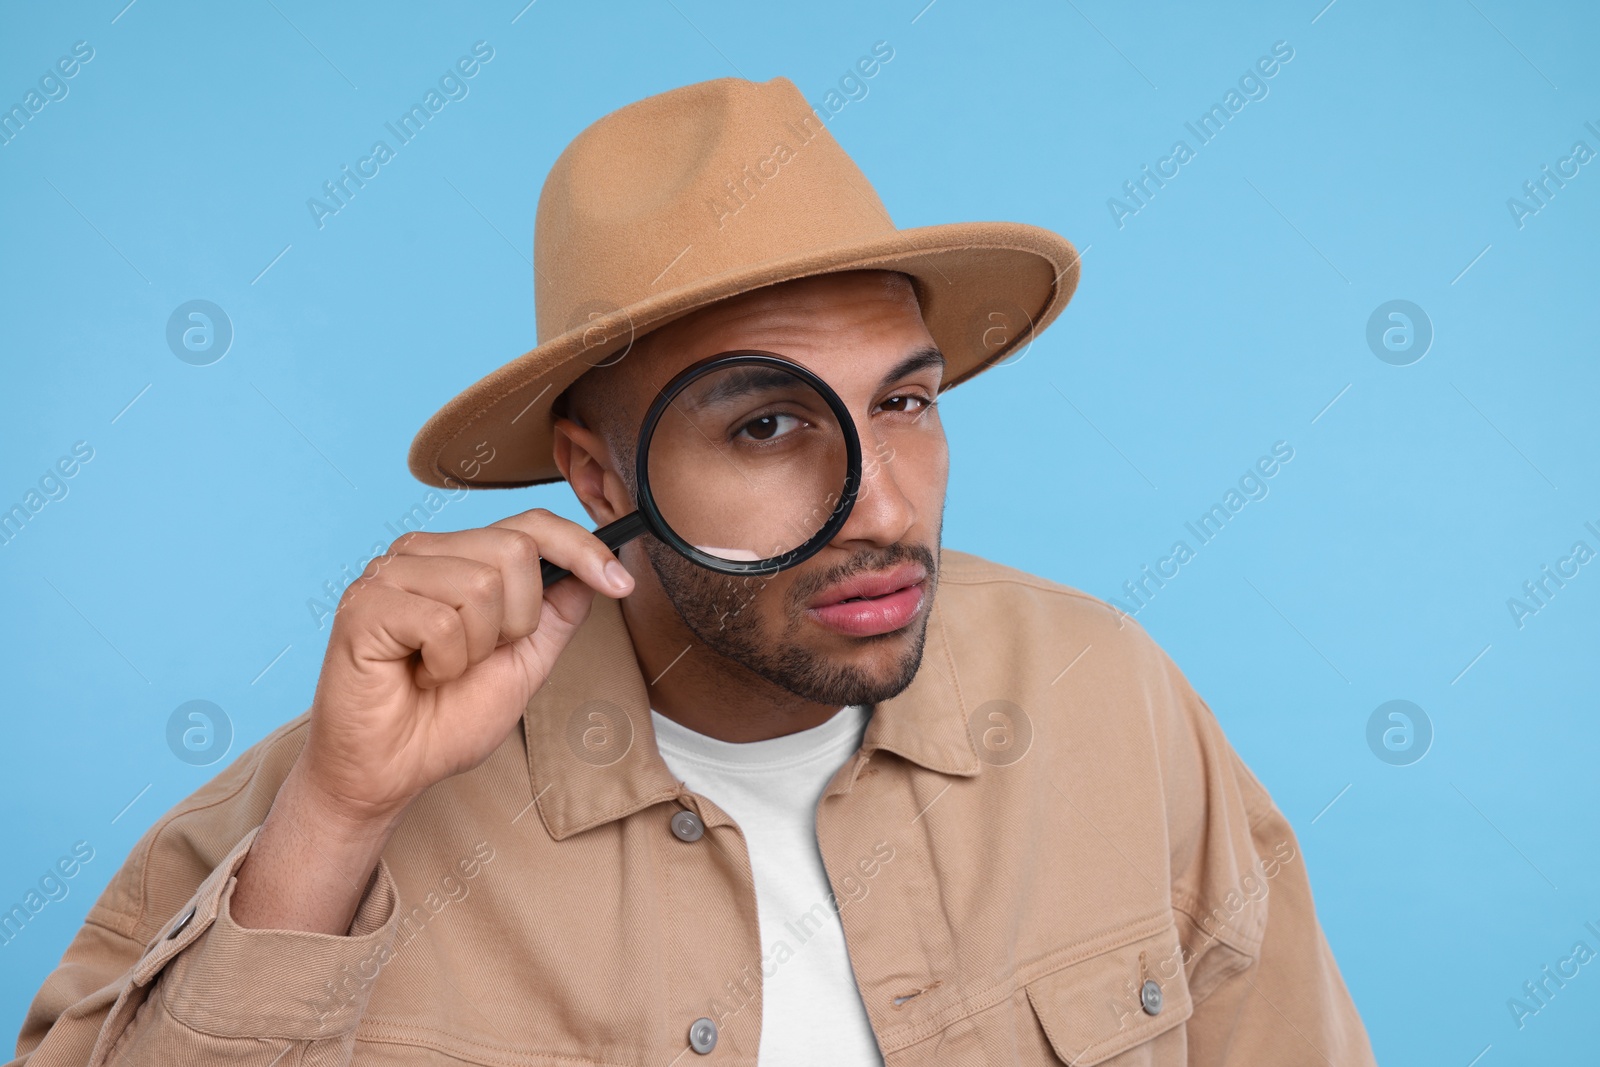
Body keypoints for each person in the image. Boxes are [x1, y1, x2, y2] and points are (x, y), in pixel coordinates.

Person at [11, 75, 1377, 1066]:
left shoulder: (1108, 698)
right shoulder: (350, 788)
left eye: (905, 402)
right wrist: (335, 822)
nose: (883, 508)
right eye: (769, 425)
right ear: (602, 478)